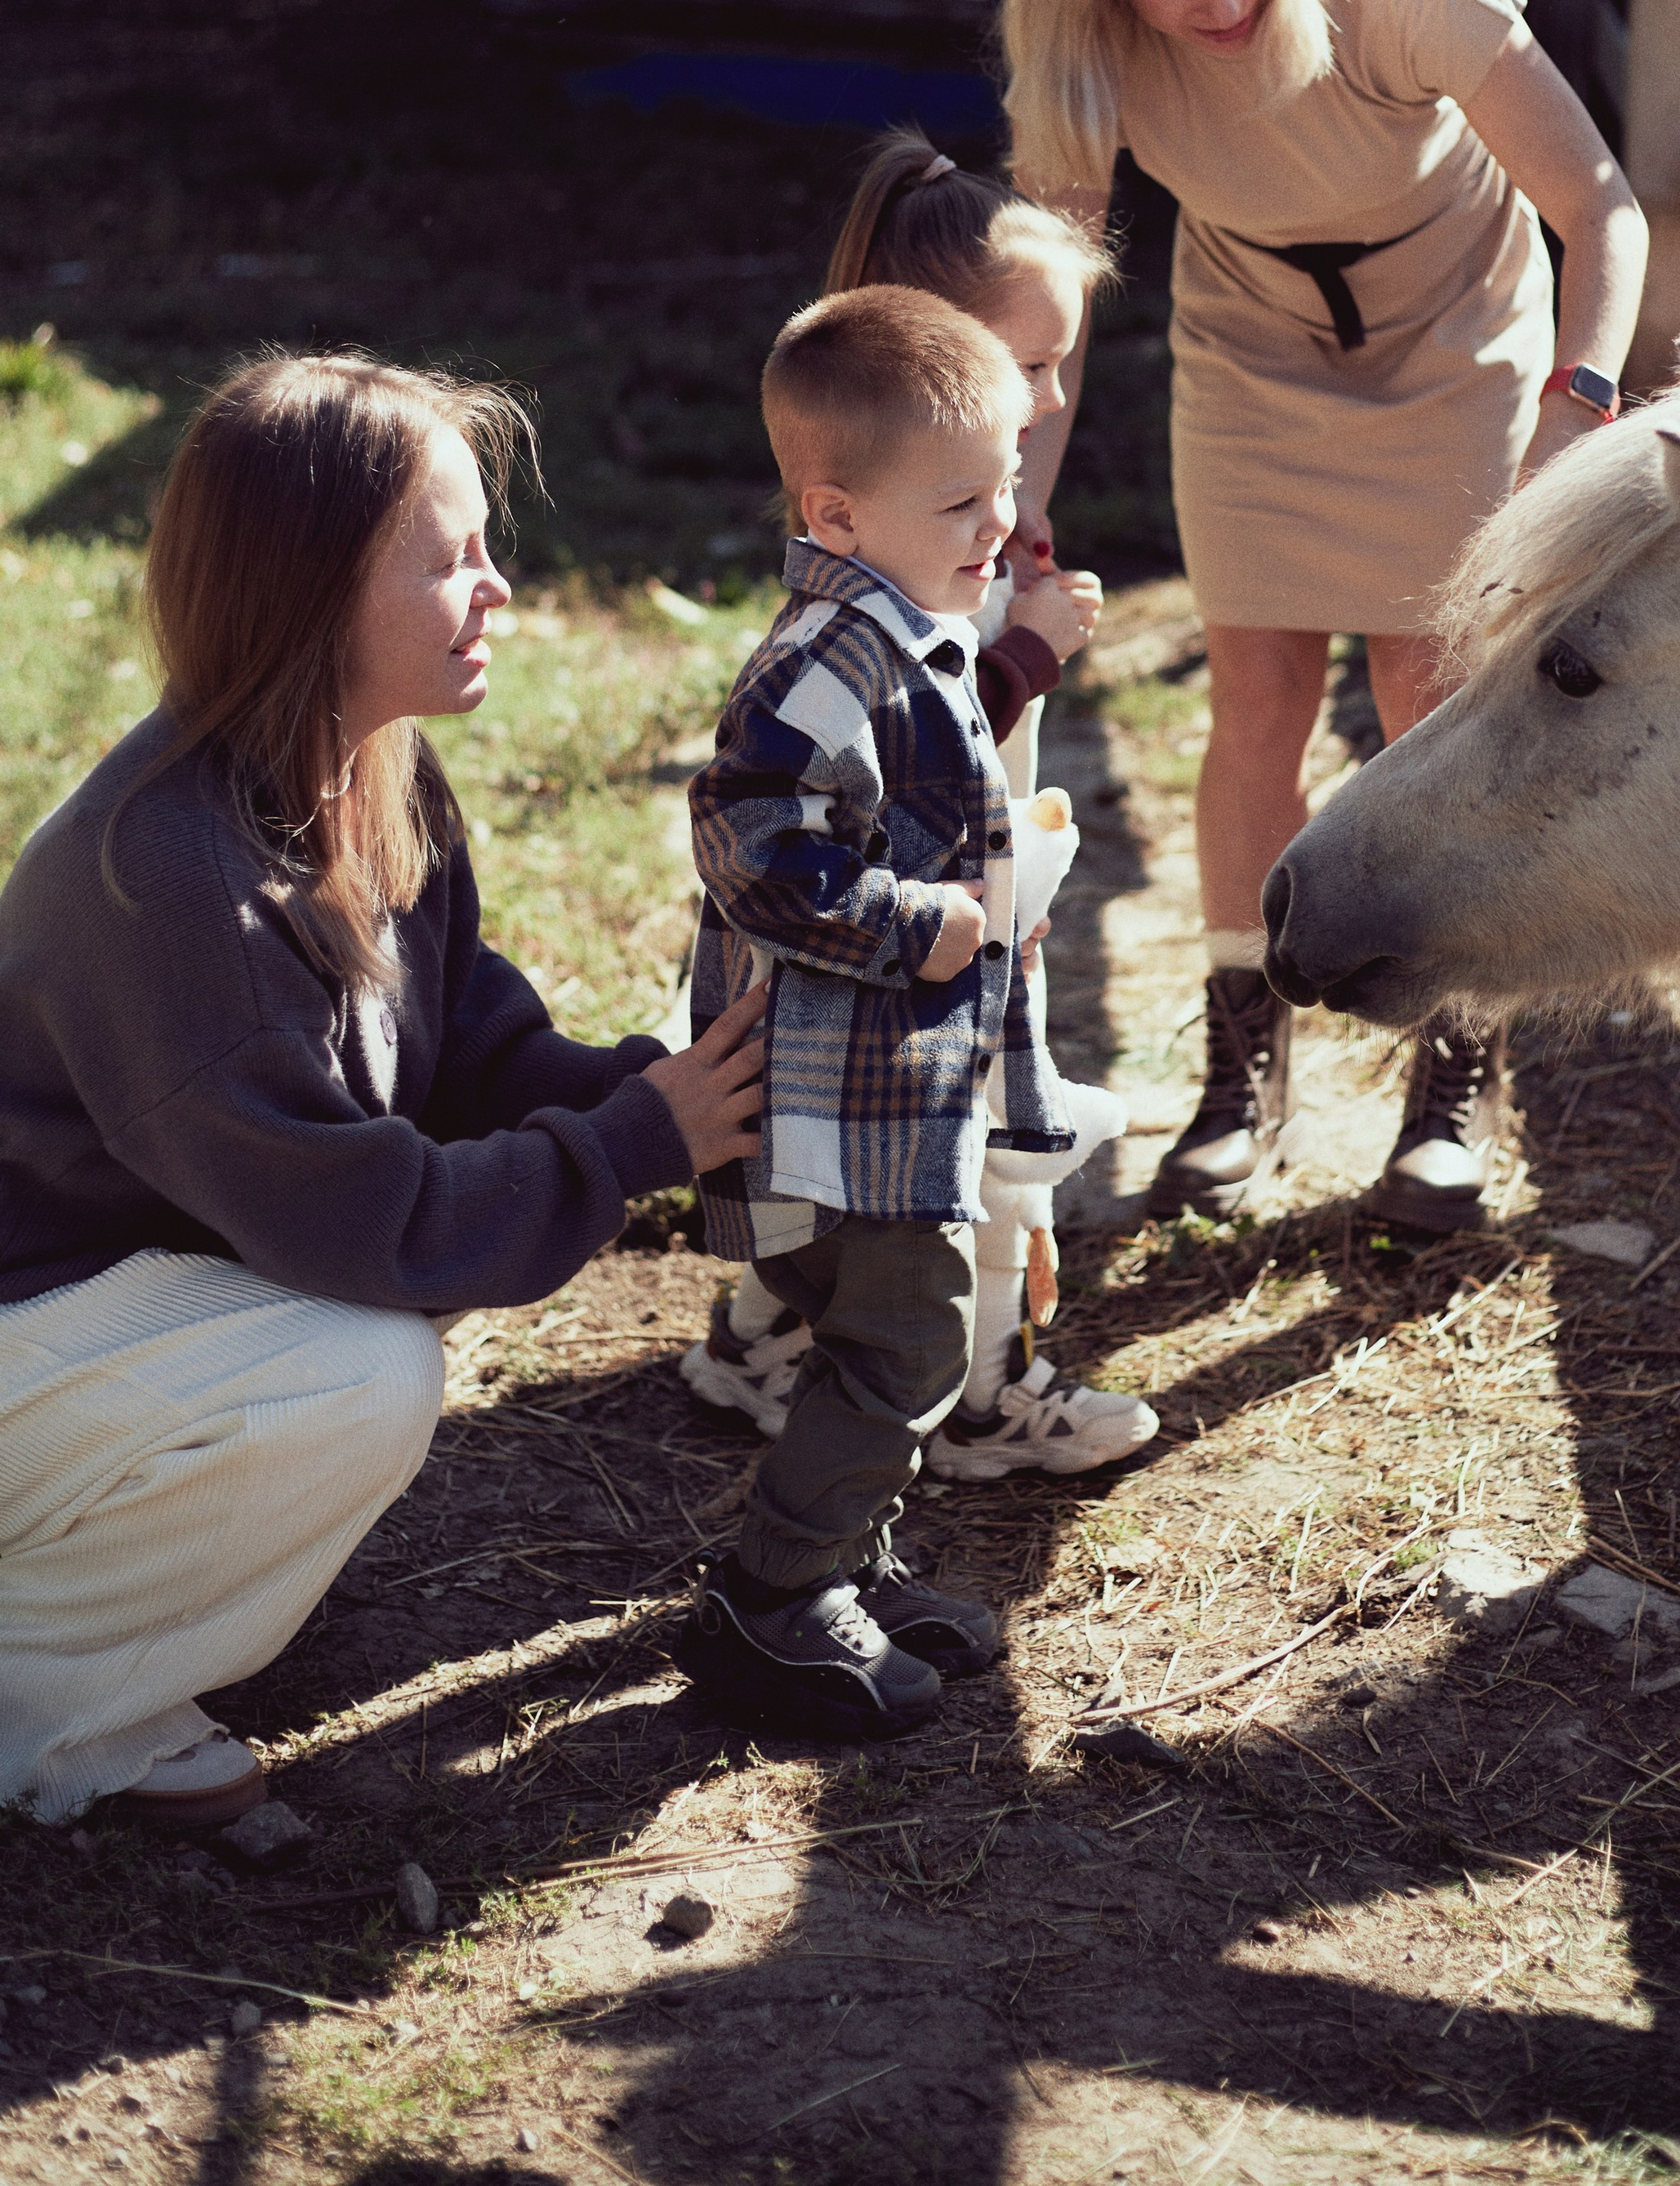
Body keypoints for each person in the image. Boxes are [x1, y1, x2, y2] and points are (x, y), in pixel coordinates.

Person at [0, 355, 764, 1831]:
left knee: (353, 1362)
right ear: (308, 594)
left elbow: (471, 1051)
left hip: (106, 1307)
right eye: (447, 559)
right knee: (359, 1373)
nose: (499, 593)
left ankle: (100, 1599)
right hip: (24, 1313)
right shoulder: (165, 880)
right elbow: (366, 1223)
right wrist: (633, 1144)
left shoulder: (374, 775)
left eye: (489, 547)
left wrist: (657, 1094)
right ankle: (42, 1694)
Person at [1003, 0, 1647, 1233]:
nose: (1222, 1)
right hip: (1253, 355)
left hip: (1462, 343)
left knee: (1431, 699)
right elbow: (1055, 298)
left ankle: (1451, 1079)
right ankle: (1243, 1077)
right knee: (1260, 702)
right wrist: (1015, 496)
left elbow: (1597, 212)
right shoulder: (1086, 52)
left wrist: (1583, 403)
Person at [680, 132, 1156, 1483]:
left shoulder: (962, 524)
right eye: (1028, 367)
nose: (1055, 395)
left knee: (837, 1153)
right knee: (934, 1151)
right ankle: (983, 1389)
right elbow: (910, 758)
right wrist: (1028, 655)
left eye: (1066, 364)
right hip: (892, 941)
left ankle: (769, 1340)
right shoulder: (899, 572)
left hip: (926, 926)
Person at [676, 286, 1081, 1738]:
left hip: (888, 1092)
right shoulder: (824, 659)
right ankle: (772, 1600)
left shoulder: (909, 624)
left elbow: (928, 761)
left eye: (1011, 482)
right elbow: (747, 838)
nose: (998, 519)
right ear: (837, 516)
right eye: (963, 497)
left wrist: (1025, 652)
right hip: (829, 1101)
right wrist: (918, 925)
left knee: (883, 1333)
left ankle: (849, 1548)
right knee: (909, 1340)